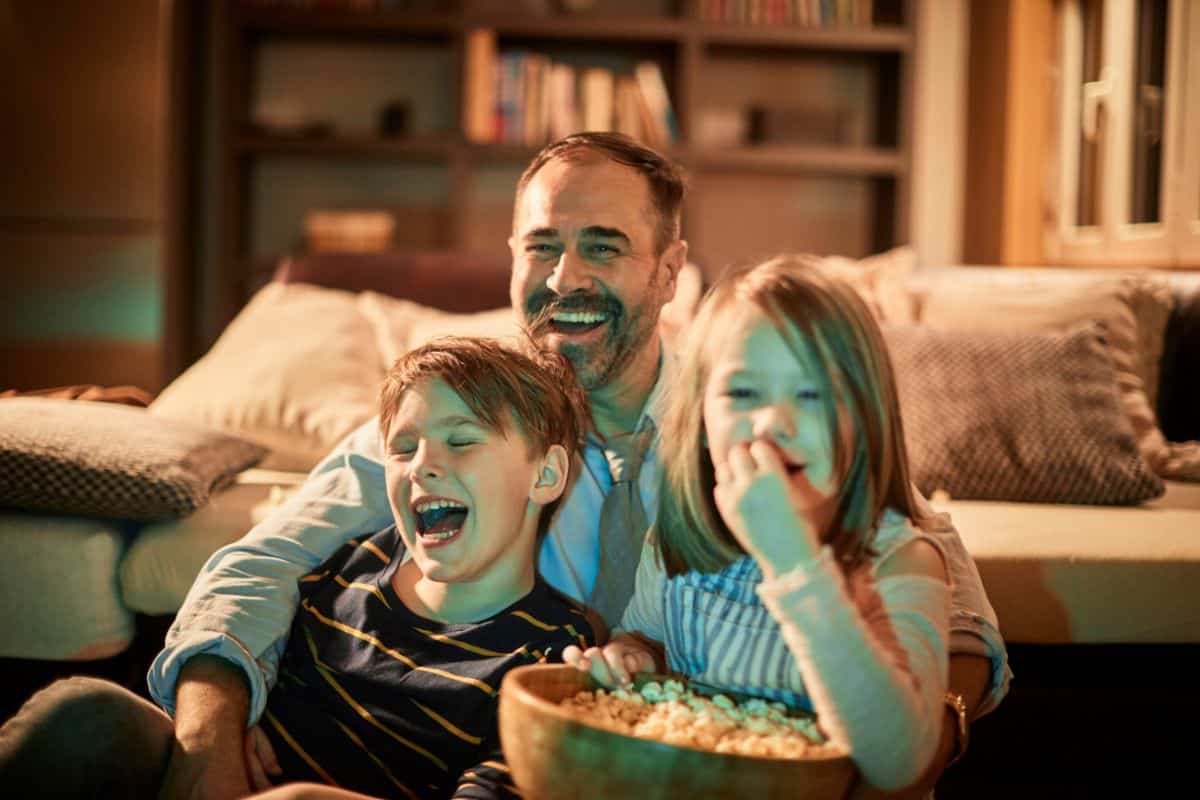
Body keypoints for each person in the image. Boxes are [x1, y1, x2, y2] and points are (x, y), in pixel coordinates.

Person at [149, 133, 1007, 797]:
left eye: (603, 247)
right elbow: (262, 564)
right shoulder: (455, 415)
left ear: (670, 271)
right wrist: (205, 750)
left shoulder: (732, 416)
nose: (565, 278)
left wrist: (910, 749)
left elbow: (942, 597)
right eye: (541, 246)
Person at [0, 336, 599, 798]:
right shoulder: (345, 566)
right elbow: (253, 645)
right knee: (83, 712)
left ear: (545, 474)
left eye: (462, 441)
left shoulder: (552, 652)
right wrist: (230, 729)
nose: (422, 466)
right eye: (403, 446)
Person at [565, 257, 960, 792]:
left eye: (812, 393)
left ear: (865, 416)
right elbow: (649, 638)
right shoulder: (680, 541)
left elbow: (898, 763)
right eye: (744, 394)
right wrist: (634, 654)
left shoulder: (901, 560)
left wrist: (794, 563)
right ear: (702, 420)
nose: (773, 422)